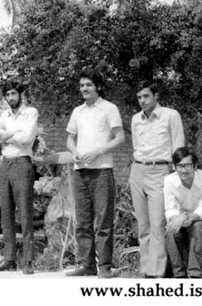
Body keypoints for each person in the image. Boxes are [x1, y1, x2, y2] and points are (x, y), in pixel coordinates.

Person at [66, 69, 125, 278]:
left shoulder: (109, 108)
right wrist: (74, 152)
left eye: (88, 85)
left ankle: (105, 267)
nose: (84, 88)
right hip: (80, 172)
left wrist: (98, 151)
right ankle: (86, 265)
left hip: (102, 171)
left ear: (97, 86)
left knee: (103, 221)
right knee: (82, 221)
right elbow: (70, 138)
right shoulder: (77, 112)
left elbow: (120, 137)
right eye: (82, 85)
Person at [130, 80, 185, 278]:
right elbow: (136, 145)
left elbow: (178, 147)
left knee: (157, 224)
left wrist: (176, 177)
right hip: (137, 170)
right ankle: (146, 270)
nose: (142, 101)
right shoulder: (136, 119)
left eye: (146, 96)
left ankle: (158, 272)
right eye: (139, 97)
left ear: (156, 96)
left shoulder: (171, 115)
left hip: (159, 171)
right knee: (143, 225)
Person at [0, 82, 38, 275]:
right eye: (8, 94)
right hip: (5, 165)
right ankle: (9, 259)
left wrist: (4, 136)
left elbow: (26, 138)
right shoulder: (5, 115)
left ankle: (28, 260)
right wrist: (12, 134)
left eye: (14, 94)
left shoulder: (30, 113)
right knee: (6, 213)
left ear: (20, 95)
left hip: (22, 163)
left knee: (25, 212)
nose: (11, 98)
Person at [164, 147, 202, 279]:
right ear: (174, 167)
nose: (183, 170)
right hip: (182, 220)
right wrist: (176, 220)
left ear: (194, 166)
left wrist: (185, 217)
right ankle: (179, 275)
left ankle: (195, 275)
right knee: (171, 230)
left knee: (198, 226)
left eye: (187, 165)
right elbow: (170, 208)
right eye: (180, 166)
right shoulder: (169, 181)